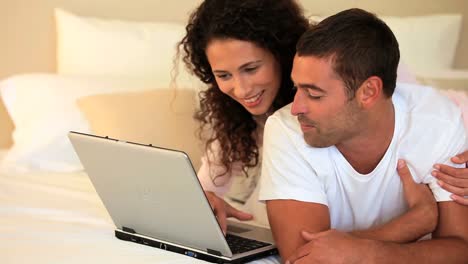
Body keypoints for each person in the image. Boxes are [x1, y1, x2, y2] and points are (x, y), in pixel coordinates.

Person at [259, 8, 468, 263]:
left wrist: (368, 253)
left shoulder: (437, 124)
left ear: (368, 92)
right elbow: (303, 258)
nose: (296, 107)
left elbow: (460, 250)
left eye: (314, 94)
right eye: (296, 88)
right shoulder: (286, 129)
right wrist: (411, 224)